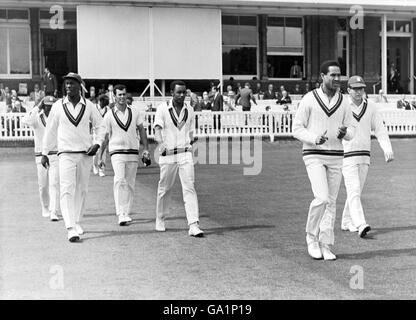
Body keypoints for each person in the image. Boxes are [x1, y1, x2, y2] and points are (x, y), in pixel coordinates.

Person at [293, 60, 356, 261]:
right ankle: (311, 237)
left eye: (339, 75)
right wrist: (313, 138)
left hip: (336, 155)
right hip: (314, 154)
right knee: (321, 197)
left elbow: (351, 130)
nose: (337, 79)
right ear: (322, 76)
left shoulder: (344, 101)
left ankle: (325, 243)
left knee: (331, 202)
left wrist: (345, 133)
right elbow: (296, 128)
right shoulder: (309, 99)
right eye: (333, 75)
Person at [41, 72, 106, 242]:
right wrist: (45, 153)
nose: (68, 86)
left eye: (72, 83)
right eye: (66, 84)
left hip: (85, 154)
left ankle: (77, 221)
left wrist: (97, 143)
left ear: (80, 85)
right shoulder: (57, 106)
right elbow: (50, 131)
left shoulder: (89, 106)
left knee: (82, 189)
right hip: (65, 154)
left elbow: (101, 126)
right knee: (66, 189)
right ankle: (70, 227)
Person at [341, 75, 394, 237]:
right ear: (348, 90)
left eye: (361, 88)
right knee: (354, 189)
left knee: (355, 191)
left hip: (364, 155)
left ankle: (346, 221)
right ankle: (361, 223)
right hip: (347, 155)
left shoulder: (370, 106)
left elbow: (379, 129)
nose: (359, 92)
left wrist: (387, 148)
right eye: (355, 89)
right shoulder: (342, 106)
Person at [154, 80, 204, 237]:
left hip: (185, 154)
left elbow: (191, 132)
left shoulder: (189, 110)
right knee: (165, 189)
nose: (182, 95)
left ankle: (193, 224)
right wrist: (161, 143)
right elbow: (157, 129)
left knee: (189, 187)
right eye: (179, 92)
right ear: (171, 93)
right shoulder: (162, 109)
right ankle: (160, 218)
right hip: (168, 155)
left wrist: (191, 141)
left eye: (184, 92)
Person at [98, 84, 149, 226]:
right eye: (119, 95)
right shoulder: (109, 115)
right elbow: (106, 136)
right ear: (114, 96)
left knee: (130, 183)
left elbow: (141, 130)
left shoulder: (135, 112)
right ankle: (120, 213)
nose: (122, 97)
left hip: (132, 150)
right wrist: (100, 156)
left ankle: (126, 212)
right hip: (116, 152)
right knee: (120, 180)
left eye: (124, 94)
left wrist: (145, 148)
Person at [22, 96, 60, 221]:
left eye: (51, 106)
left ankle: (54, 210)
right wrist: (37, 107)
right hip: (40, 155)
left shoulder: (57, 118)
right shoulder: (37, 118)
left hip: (54, 154)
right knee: (43, 185)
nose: (49, 108)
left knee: (54, 183)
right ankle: (45, 207)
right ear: (44, 106)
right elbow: (25, 121)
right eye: (47, 106)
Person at [92, 94, 110, 177]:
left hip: (105, 132)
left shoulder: (108, 109)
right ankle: (95, 165)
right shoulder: (94, 107)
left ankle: (101, 169)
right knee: (95, 151)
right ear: (100, 101)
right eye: (103, 102)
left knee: (103, 151)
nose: (104, 105)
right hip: (95, 131)